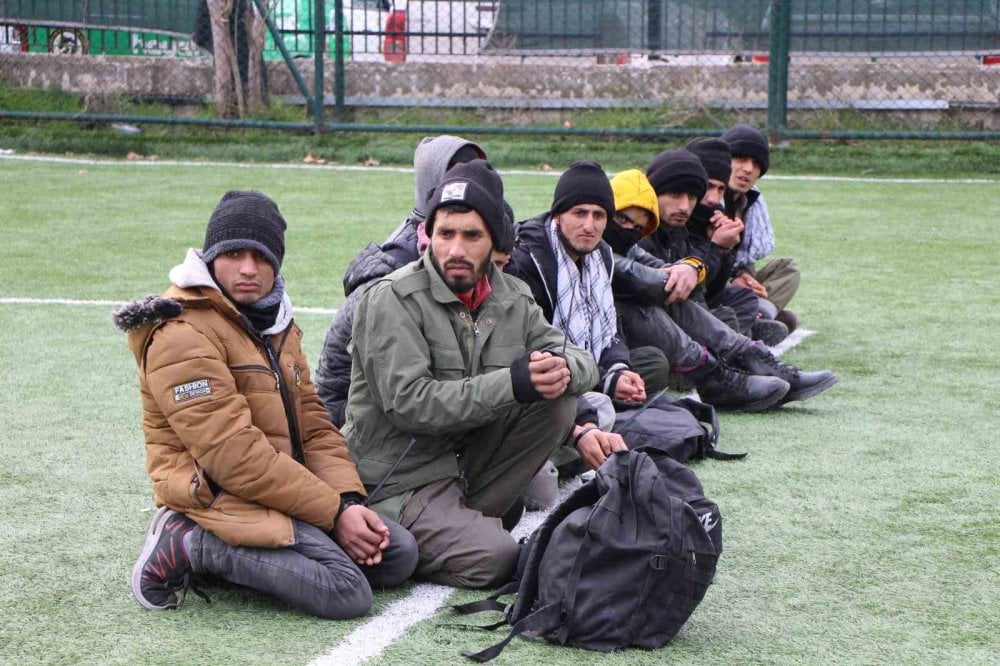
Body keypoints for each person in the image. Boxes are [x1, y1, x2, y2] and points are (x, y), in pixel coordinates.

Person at [113, 190, 418, 618]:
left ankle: (247, 556)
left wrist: (348, 501)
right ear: (210, 255)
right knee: (346, 591)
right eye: (234, 253)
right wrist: (333, 515)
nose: (248, 269)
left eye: (262, 257)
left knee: (397, 554)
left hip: (279, 487)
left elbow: (313, 425)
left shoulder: (272, 319)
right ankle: (187, 542)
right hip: (217, 496)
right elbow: (234, 458)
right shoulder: (181, 333)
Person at [343, 160, 598, 589]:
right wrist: (515, 383)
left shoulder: (511, 296)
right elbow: (411, 405)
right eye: (446, 234)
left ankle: (462, 520)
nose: (456, 249)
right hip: (399, 477)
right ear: (428, 236)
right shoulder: (392, 298)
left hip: (462, 465)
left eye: (472, 236)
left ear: (494, 241)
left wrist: (561, 369)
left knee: (559, 399)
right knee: (497, 558)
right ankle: (418, 532)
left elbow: (580, 358)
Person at [505, 161, 718, 469]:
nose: (589, 225)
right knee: (600, 405)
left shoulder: (601, 255)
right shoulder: (529, 261)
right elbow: (534, 350)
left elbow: (611, 331)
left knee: (649, 366)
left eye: (598, 215)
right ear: (558, 215)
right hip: (547, 378)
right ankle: (582, 433)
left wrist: (619, 370)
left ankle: (595, 424)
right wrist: (606, 381)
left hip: (586, 371)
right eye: (579, 213)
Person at [607, 165, 839, 409]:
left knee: (764, 284)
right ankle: (720, 370)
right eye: (676, 195)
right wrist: (710, 250)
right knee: (654, 337)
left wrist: (699, 264)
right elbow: (651, 281)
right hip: (620, 348)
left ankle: (743, 358)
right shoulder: (604, 246)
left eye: (693, 196)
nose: (685, 206)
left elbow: (694, 284)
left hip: (685, 320)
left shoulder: (650, 236)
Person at [315, 135, 488, 427]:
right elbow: (343, 378)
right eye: (460, 176)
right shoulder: (393, 272)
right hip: (366, 417)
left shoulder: (470, 246)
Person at [721, 123, 801, 333]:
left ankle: (760, 314)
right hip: (708, 280)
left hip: (731, 278)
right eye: (741, 159)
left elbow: (745, 258)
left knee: (788, 269)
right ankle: (757, 317)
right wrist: (731, 281)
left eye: (756, 164)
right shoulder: (707, 197)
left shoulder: (751, 201)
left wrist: (744, 277)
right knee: (787, 320)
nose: (748, 169)